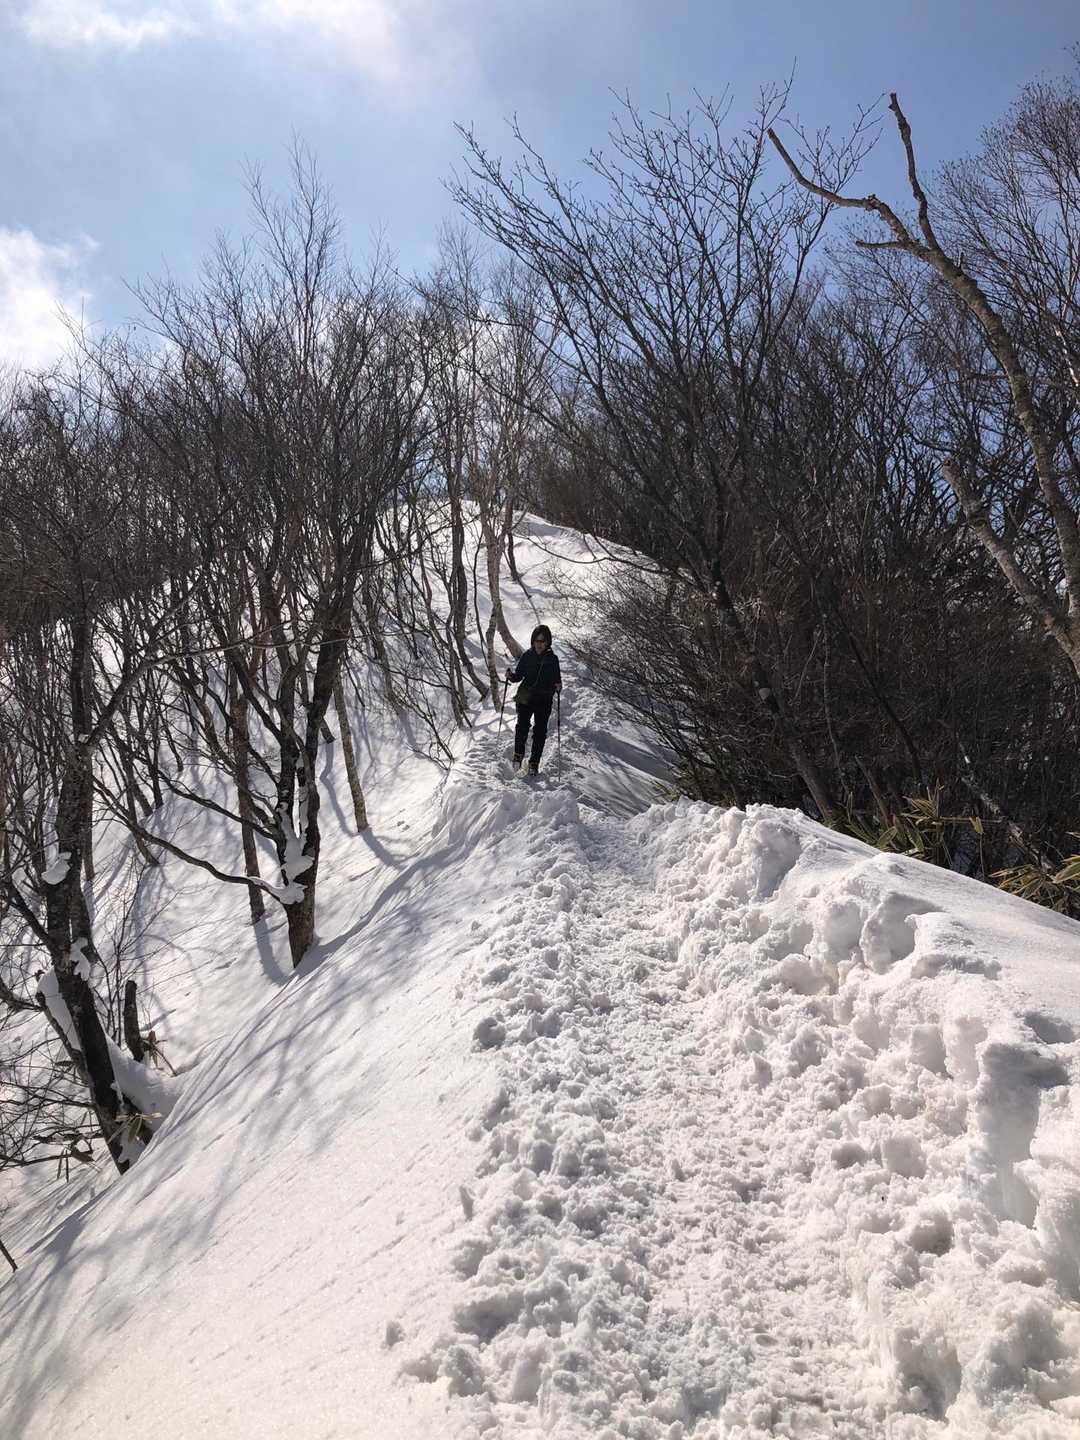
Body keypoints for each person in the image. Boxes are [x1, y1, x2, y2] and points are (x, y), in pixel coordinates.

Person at [506, 624, 562, 773]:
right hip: (526, 697)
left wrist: (558, 686)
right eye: (537, 640)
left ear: (548, 642)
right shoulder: (527, 656)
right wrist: (510, 676)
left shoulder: (553, 659)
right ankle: (518, 756)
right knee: (522, 727)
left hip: (544, 699)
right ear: (533, 641)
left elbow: (557, 681)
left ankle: (534, 763)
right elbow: (518, 676)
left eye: (543, 641)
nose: (539, 644)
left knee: (540, 732)